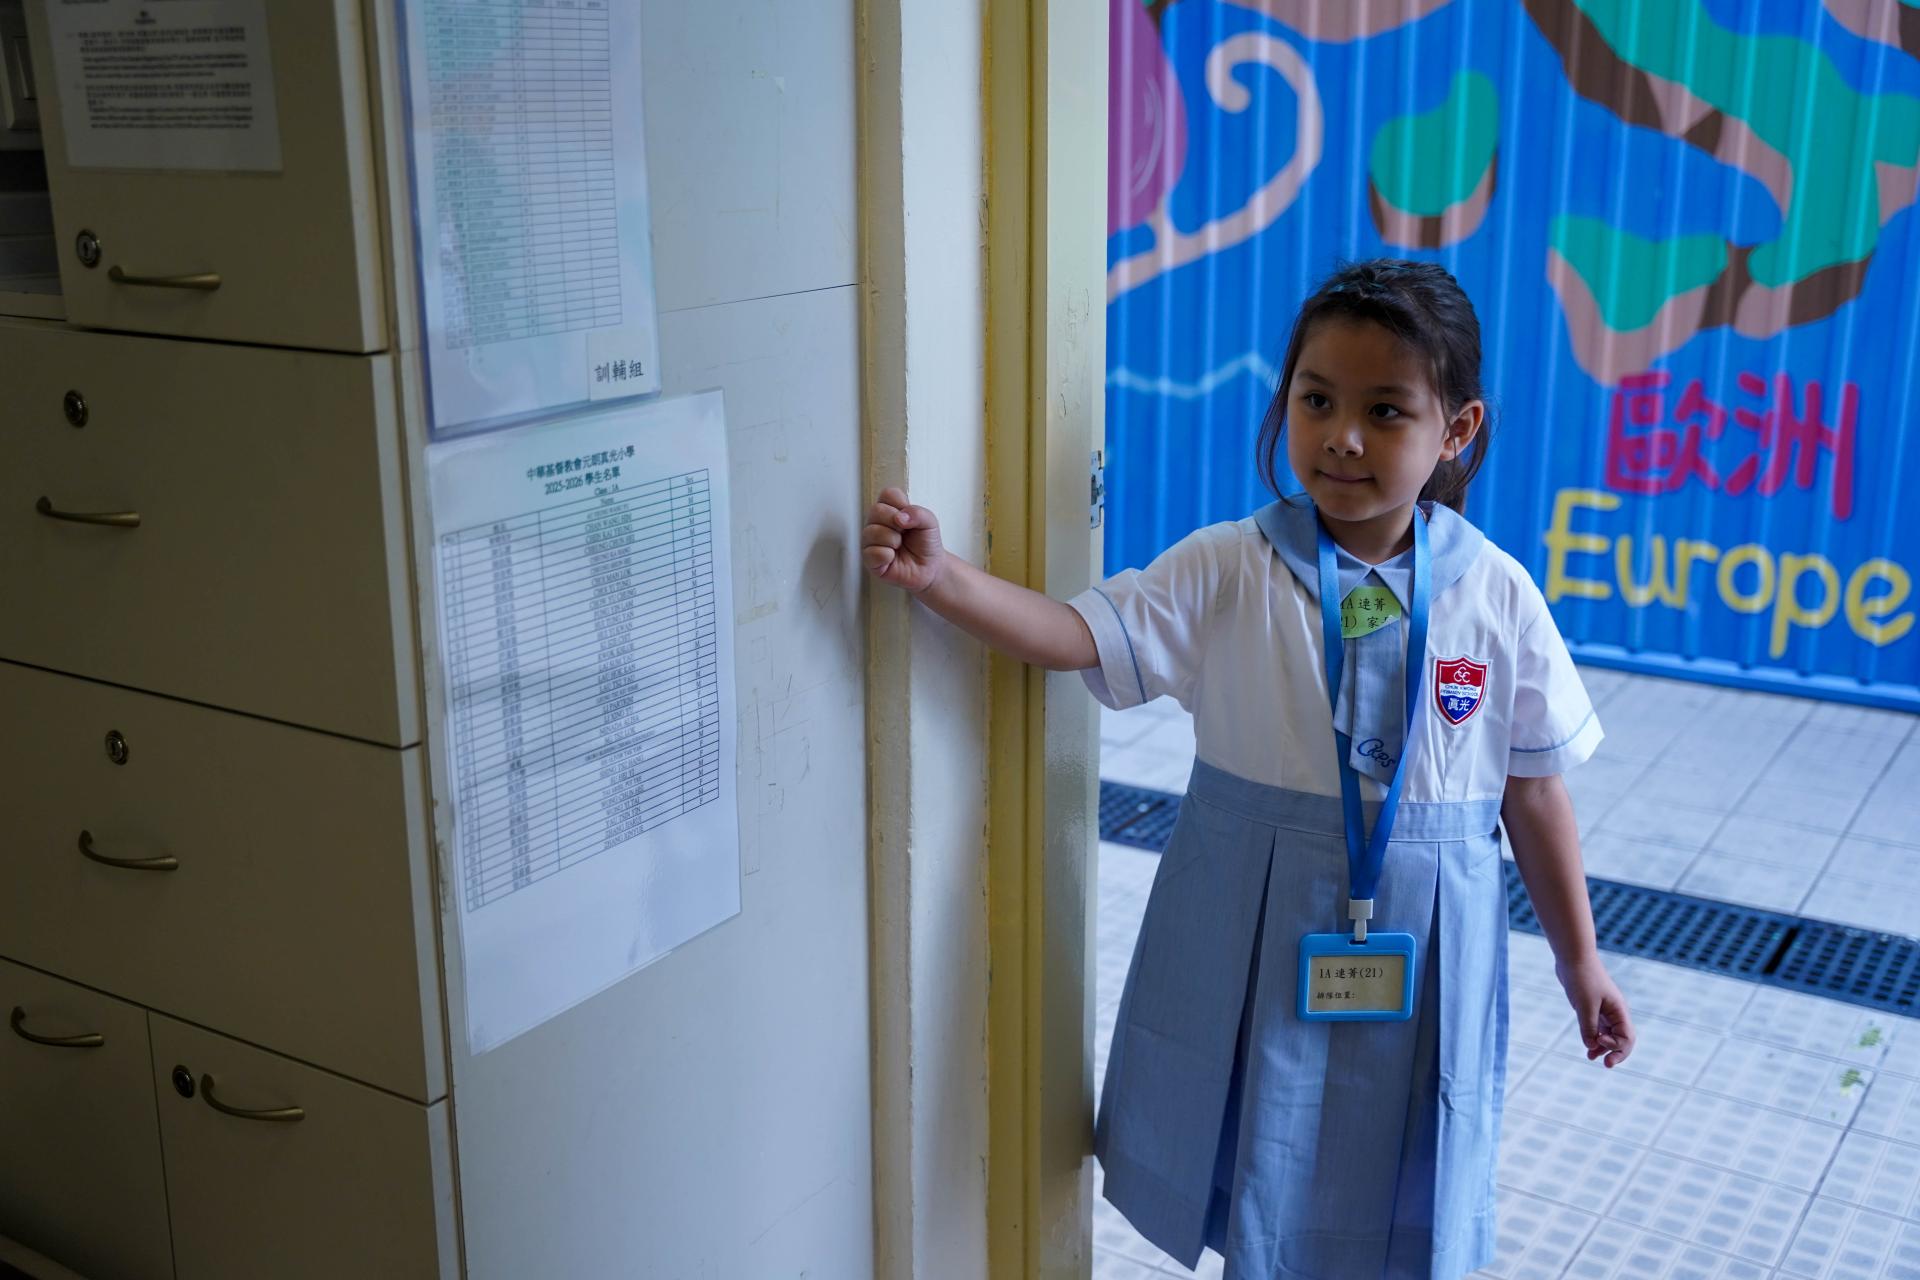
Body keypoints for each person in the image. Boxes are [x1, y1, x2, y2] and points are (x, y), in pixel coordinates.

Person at [861, 258, 1634, 1279]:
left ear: (1457, 430)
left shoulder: (1498, 594)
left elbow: (1533, 789)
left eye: (1384, 410)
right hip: (1256, 925)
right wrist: (943, 578)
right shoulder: (1231, 564)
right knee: (1264, 1166)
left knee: (1412, 1184)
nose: (1342, 435)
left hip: (1428, 945)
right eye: (1317, 400)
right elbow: (1079, 634)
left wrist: (1581, 962)